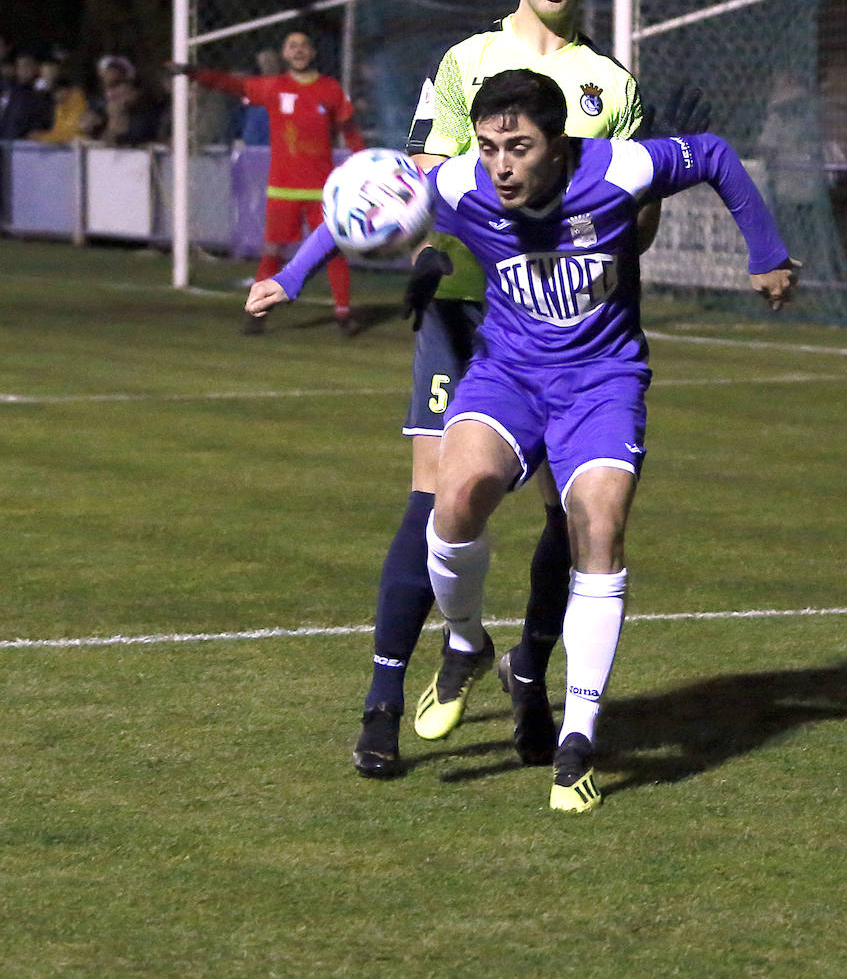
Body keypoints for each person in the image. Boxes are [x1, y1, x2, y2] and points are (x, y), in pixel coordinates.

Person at [253, 69, 797, 811]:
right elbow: (359, 211)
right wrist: (290, 276)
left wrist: (764, 252)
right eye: (487, 147)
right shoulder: (461, 185)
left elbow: (712, 155)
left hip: (601, 383)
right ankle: (469, 642)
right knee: (454, 501)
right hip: (507, 375)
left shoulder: (620, 169)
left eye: (517, 146)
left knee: (596, 530)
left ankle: (576, 739)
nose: (500, 164)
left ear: (558, 144)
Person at [246, 0, 688, 781]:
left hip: (578, 328)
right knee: (436, 499)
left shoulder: (613, 87)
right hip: (464, 311)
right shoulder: (464, 62)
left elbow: (633, 215)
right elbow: (418, 183)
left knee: (576, 514)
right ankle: (387, 700)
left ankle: (529, 672)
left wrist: (624, 229)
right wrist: (400, 250)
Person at [174, 30, 365, 336]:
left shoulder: (330, 89)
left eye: (304, 45)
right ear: (285, 54)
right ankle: (258, 311)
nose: (299, 50)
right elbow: (232, 84)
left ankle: (343, 313)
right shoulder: (274, 87)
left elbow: (350, 131)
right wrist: (193, 73)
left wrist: (363, 164)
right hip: (282, 189)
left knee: (334, 249)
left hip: (322, 189)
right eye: (292, 46)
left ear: (313, 52)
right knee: (272, 251)